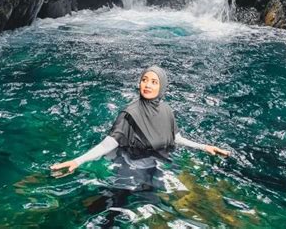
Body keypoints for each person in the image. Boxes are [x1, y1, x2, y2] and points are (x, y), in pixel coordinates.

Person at [50, 65, 230, 178]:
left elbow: (176, 138)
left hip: (157, 160)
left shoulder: (166, 110)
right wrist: (78, 161)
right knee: (118, 207)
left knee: (154, 203)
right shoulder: (130, 113)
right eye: (144, 80)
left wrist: (204, 147)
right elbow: (109, 143)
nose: (148, 85)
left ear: (162, 87)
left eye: (154, 82)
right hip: (130, 163)